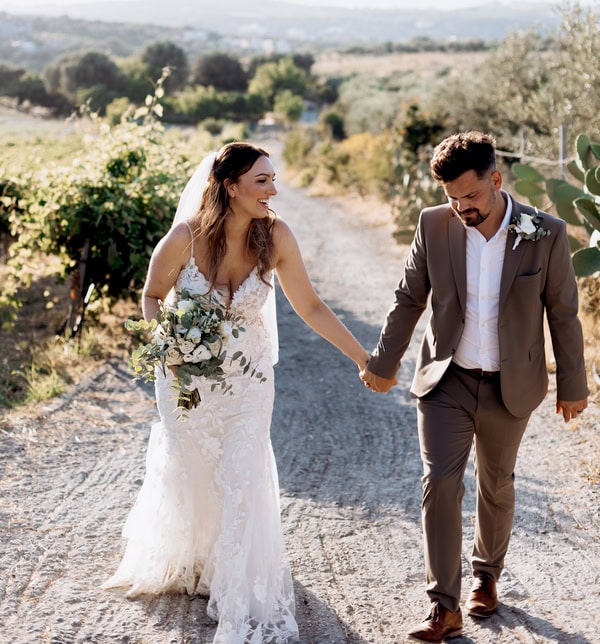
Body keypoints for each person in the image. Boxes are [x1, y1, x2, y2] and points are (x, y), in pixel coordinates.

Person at [103, 142, 369, 644]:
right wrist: (170, 345)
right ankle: (198, 556)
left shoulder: (277, 235)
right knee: (194, 463)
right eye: (262, 181)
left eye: (273, 179)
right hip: (186, 377)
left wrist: (363, 358)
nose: (273, 190)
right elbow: (152, 296)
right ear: (230, 186)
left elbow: (311, 306)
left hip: (248, 379)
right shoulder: (184, 237)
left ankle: (239, 585)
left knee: (242, 471)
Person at [360, 131, 589, 643]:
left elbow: (563, 313)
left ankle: (486, 575)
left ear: (497, 180)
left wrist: (572, 384)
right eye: (452, 198)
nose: (462, 207)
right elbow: (409, 297)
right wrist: (383, 361)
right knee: (440, 483)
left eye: (471, 195)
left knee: (497, 483)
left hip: (512, 384)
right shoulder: (433, 225)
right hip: (448, 379)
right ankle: (443, 606)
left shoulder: (545, 232)